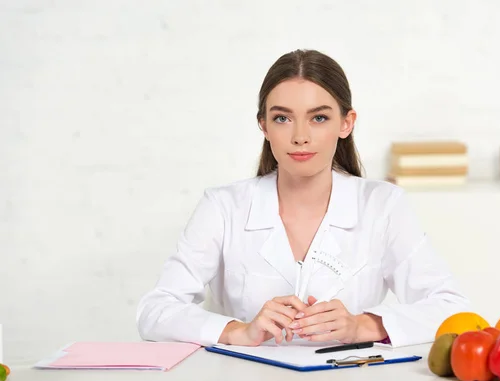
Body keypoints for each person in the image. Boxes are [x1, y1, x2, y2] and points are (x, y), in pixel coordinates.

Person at [136, 49, 470, 348]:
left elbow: (451, 307)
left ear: (346, 123)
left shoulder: (383, 205)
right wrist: (238, 331)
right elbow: (156, 310)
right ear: (264, 125)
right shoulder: (223, 207)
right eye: (282, 118)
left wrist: (362, 326)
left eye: (319, 118)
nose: (300, 137)